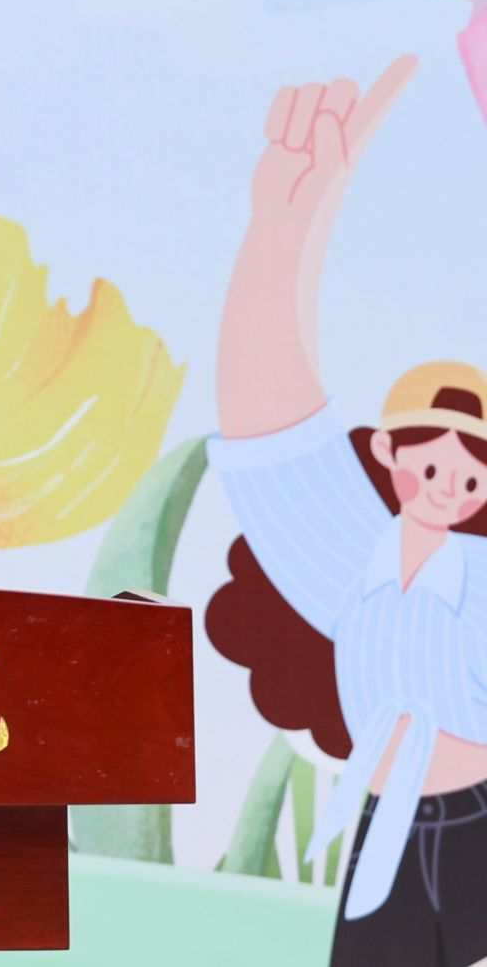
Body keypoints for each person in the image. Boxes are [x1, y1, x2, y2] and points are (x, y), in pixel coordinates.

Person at [204, 55, 487, 960]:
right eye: (433, 463)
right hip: (387, 823)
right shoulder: (358, 559)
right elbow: (274, 448)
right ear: (390, 455)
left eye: (471, 477)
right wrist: (283, 233)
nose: (449, 487)